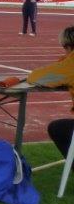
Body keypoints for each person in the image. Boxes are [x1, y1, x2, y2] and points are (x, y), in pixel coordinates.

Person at [27, 26, 74, 160]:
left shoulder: (70, 63)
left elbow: (36, 77)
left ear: (68, 47)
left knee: (57, 128)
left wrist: (65, 61)